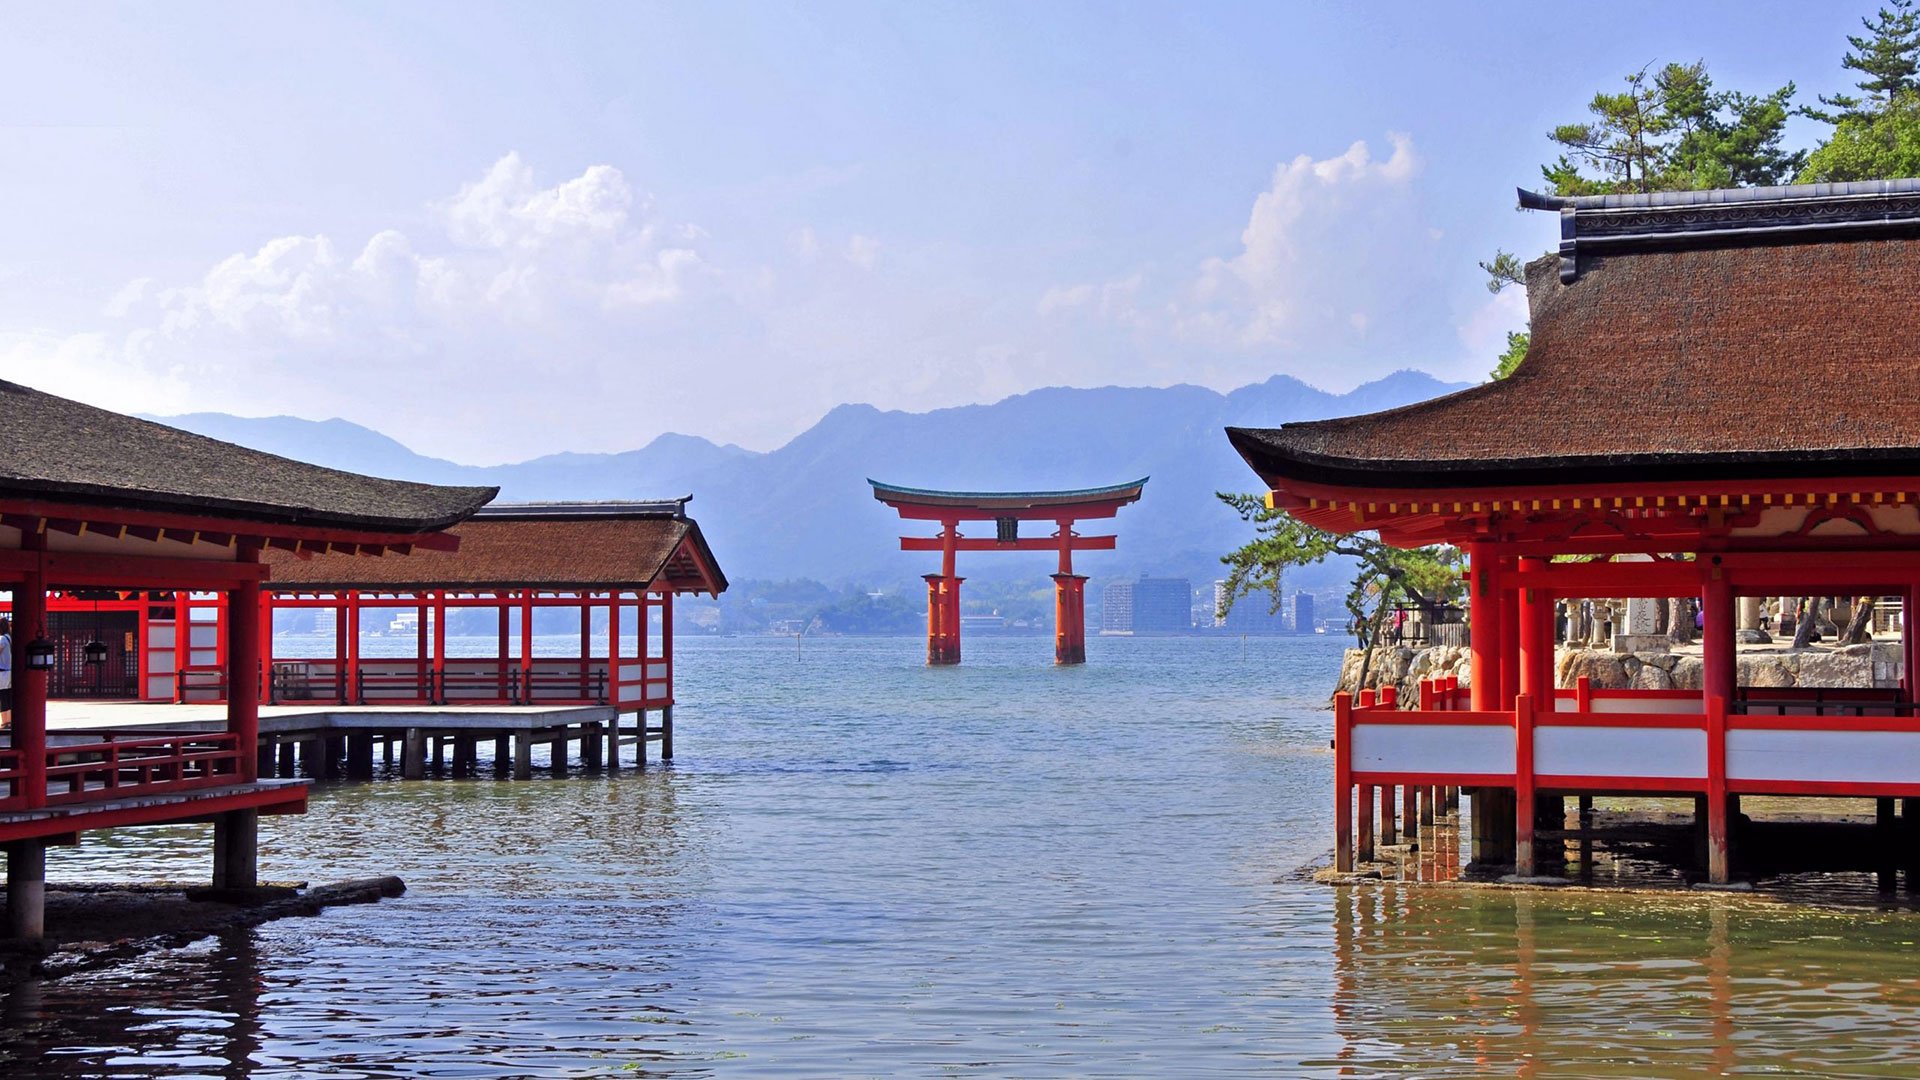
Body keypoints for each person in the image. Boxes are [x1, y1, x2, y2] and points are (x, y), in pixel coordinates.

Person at [0, 616, 12, 733]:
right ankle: (9, 720)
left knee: (3, 696)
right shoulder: (9, 637)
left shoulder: (2, 639)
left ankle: (4, 721)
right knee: (8, 696)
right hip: (10, 671)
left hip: (3, 671)